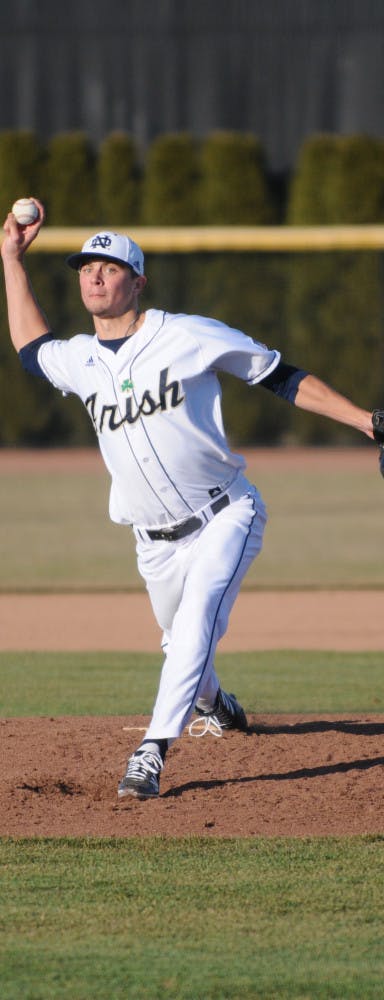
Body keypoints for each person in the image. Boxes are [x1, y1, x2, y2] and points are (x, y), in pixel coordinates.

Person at [1, 199, 375, 801]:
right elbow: (29, 347)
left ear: (138, 281)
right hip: (152, 544)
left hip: (226, 514)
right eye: (84, 267)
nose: (93, 275)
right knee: (184, 648)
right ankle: (217, 704)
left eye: (109, 266)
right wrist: (10, 259)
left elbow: (279, 374)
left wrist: (366, 423)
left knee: (199, 618)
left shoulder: (187, 334)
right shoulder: (79, 359)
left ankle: (151, 752)